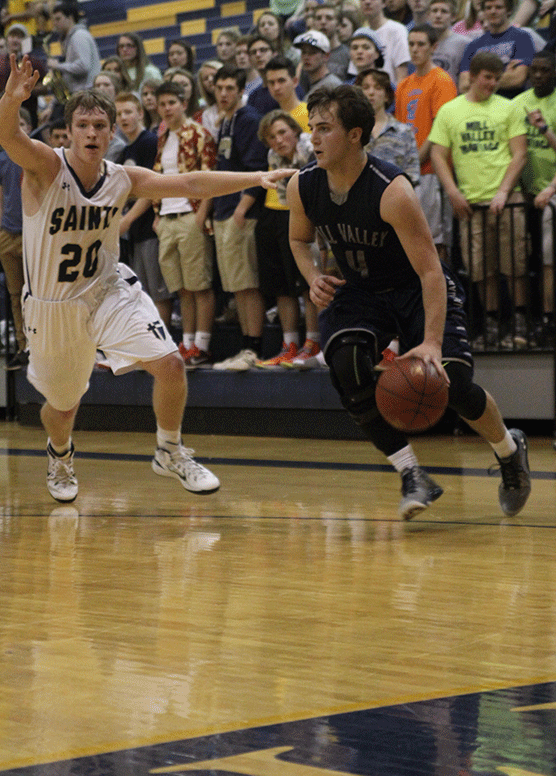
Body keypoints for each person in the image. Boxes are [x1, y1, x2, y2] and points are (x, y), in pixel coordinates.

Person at [0, 54, 292, 502]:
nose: (92, 133)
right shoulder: (46, 167)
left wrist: (258, 177)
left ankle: (169, 450)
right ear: (69, 131)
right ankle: (59, 453)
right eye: (83, 125)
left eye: (99, 126)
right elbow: (5, 134)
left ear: (111, 133)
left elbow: (191, 184)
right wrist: (12, 98)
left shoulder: (121, 176)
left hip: (108, 290)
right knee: (62, 405)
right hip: (53, 307)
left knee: (170, 364)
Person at [286, 83, 532, 520]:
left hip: (417, 287)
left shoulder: (391, 190)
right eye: (313, 128)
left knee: (451, 384)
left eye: (325, 129)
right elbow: (298, 239)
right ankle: (411, 473)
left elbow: (430, 271)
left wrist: (432, 343)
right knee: (346, 365)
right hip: (361, 291)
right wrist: (312, 276)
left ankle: (509, 452)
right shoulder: (303, 185)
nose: (313, 138)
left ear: (355, 134)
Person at [430, 51, 528, 349]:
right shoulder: (450, 111)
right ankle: (492, 323)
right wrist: (453, 191)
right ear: (472, 76)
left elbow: (520, 153)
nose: (493, 84)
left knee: (515, 264)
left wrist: (503, 191)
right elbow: (437, 154)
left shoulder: (509, 108)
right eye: (488, 77)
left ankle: (521, 322)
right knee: (480, 268)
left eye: (497, 79)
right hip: (470, 203)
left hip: (508, 200)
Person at [151, 80, 218, 368]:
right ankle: (187, 342)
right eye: (161, 104)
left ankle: (201, 345)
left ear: (183, 103)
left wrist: (200, 216)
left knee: (199, 285)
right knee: (182, 289)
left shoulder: (200, 134)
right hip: (166, 217)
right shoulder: (163, 137)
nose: (166, 109)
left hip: (190, 215)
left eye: (171, 103)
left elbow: (210, 177)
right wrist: (156, 217)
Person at [210, 64, 269, 371]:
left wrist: (241, 209)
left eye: (229, 88)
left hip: (240, 212)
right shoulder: (226, 122)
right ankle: (246, 346)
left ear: (240, 90)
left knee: (247, 284)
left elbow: (256, 168)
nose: (223, 94)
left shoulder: (249, 121)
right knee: (236, 285)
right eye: (218, 88)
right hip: (223, 210)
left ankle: (253, 348)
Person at [256, 111, 320, 367]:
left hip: (321, 218)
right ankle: (290, 344)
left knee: (311, 284)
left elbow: (320, 189)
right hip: (293, 217)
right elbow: (286, 198)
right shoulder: (273, 157)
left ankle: (314, 342)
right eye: (272, 137)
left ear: (295, 130)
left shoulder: (310, 147)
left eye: (282, 132)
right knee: (285, 285)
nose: (278, 140)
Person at [395, 24, 457, 258]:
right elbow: (402, 129)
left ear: (434, 47)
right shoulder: (403, 85)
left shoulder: (441, 80)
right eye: (411, 44)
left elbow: (440, 129)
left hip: (431, 170)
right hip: (410, 171)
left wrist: (416, 160)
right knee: (413, 240)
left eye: (421, 44)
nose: (415, 49)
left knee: (435, 240)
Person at [114, 91, 174, 326]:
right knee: (143, 291)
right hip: (136, 229)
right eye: (119, 114)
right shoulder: (128, 148)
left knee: (159, 293)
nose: (123, 117)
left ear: (140, 113)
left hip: (150, 226)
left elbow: (152, 189)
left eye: (128, 112)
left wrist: (127, 220)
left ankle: (164, 345)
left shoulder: (148, 142)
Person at [512, 50, 556, 338]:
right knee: (527, 261)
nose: (538, 75)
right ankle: (531, 321)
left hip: (551, 194)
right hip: (525, 196)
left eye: (545, 70)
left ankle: (550, 319)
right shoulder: (517, 104)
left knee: (549, 261)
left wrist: (551, 188)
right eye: (534, 70)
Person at [0, 107, 30, 369]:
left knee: (36, 294)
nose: (17, 129)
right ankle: (23, 347)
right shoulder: (0, 159)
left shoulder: (38, 156)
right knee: (15, 294)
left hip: (32, 236)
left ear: (28, 128)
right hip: (7, 233)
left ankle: (42, 347)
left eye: (22, 125)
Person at [458, 0, 536, 97]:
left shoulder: (522, 38)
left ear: (509, 11)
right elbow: (463, 85)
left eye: (498, 7)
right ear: (483, 12)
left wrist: (477, 82)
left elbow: (517, 79)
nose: (493, 11)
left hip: (509, 104)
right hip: (478, 108)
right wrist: (505, 75)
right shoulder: (473, 45)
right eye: (488, 8)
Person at [355, 67, 420, 183]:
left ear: (386, 95)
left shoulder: (403, 132)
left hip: (395, 195)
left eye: (378, 88)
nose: (371, 92)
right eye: (365, 88)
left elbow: (413, 174)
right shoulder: (352, 131)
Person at [359, 0, 410, 85]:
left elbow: (402, 75)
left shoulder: (397, 30)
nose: (367, 1)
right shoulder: (360, 33)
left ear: (384, 3)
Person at [47, 1, 101, 95]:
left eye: (58, 19)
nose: (55, 24)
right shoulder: (70, 38)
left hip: (86, 92)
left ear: (70, 18)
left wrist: (58, 66)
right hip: (81, 92)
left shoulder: (78, 36)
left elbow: (83, 66)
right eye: (53, 20)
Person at [428, 0, 470, 83]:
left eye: (444, 11)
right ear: (428, 15)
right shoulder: (422, 42)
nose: (438, 15)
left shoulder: (464, 43)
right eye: (434, 11)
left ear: (453, 17)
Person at [294, 30, 342, 100]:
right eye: (304, 52)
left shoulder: (332, 86)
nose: (306, 57)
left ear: (326, 56)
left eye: (312, 52)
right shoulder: (306, 84)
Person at [263, 55, 309, 129]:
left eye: (281, 81)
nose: (276, 87)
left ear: (295, 81)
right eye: (271, 82)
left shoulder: (309, 114)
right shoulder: (270, 120)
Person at [313, 4, 350, 80]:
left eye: (329, 18)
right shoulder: (308, 55)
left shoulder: (348, 54)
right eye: (318, 18)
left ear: (338, 25)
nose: (323, 22)